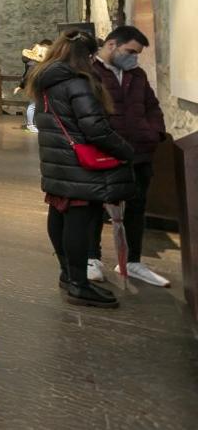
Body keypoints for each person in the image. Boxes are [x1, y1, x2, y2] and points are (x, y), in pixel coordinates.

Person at [26, 30, 135, 308]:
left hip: (57, 162)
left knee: (59, 214)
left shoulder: (45, 81)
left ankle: (67, 273)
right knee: (78, 220)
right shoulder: (77, 83)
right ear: (87, 56)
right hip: (79, 164)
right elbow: (94, 128)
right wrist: (124, 150)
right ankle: (78, 283)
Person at [86, 25, 169, 286]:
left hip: (140, 153)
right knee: (94, 207)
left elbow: (151, 107)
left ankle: (132, 261)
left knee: (136, 206)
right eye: (130, 51)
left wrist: (154, 134)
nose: (134, 57)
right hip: (104, 152)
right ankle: (92, 258)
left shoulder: (137, 75)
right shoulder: (89, 73)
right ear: (112, 45)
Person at [19, 39, 52, 132]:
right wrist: (21, 85)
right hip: (34, 85)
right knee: (33, 104)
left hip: (35, 84)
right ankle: (30, 124)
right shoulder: (33, 63)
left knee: (36, 104)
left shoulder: (33, 62)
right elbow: (28, 75)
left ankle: (32, 123)